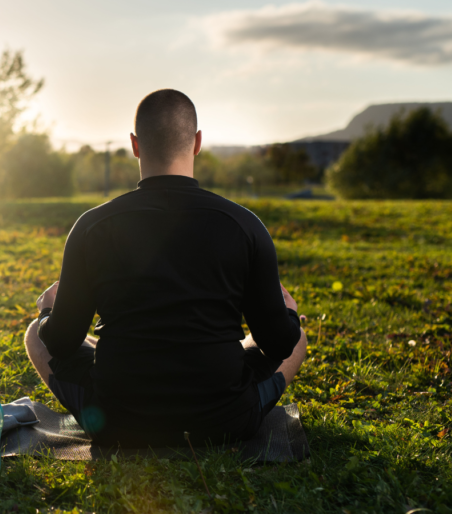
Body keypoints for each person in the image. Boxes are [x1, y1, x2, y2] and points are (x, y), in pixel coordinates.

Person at [24, 89, 308, 447]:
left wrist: (50, 309)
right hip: (224, 419)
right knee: (298, 339)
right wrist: (289, 315)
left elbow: (62, 342)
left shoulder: (92, 226)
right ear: (197, 143)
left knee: (36, 333)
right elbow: (279, 342)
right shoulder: (246, 226)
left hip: (118, 422)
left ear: (134, 145)